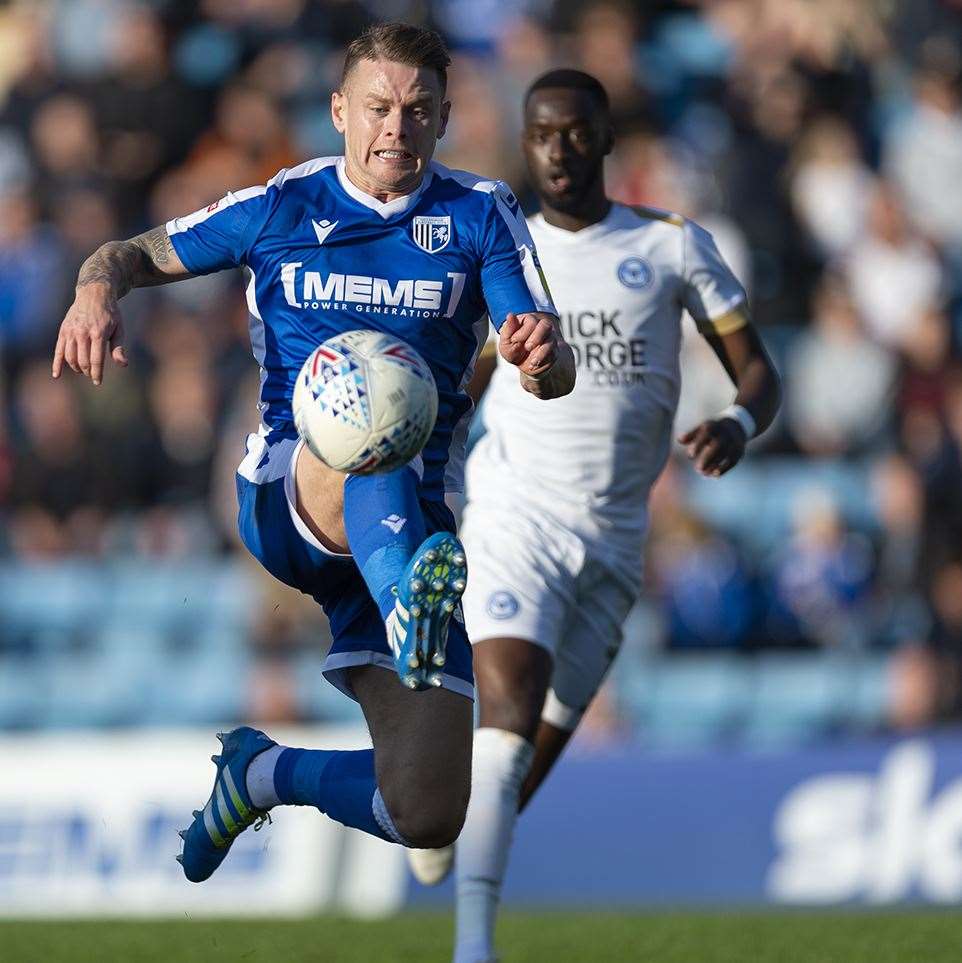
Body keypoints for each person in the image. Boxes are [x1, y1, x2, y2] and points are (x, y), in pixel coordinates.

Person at [50, 23, 574, 883]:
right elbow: (130, 252)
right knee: (372, 412)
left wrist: (543, 361)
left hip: (417, 528)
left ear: (443, 121)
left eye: (417, 111)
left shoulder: (481, 212)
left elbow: (550, 366)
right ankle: (411, 596)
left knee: (428, 809)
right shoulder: (284, 205)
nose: (395, 128)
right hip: (292, 488)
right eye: (377, 107)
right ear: (339, 111)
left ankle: (260, 772)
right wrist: (94, 289)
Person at [407, 70, 781, 963]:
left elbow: (761, 374)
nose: (561, 149)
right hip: (515, 515)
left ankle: (443, 812)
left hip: (615, 539)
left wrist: (735, 420)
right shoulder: (504, 251)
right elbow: (466, 383)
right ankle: (472, 947)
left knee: (528, 748)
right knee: (509, 706)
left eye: (578, 132)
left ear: (607, 139)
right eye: (543, 134)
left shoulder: (673, 246)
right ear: (525, 143)